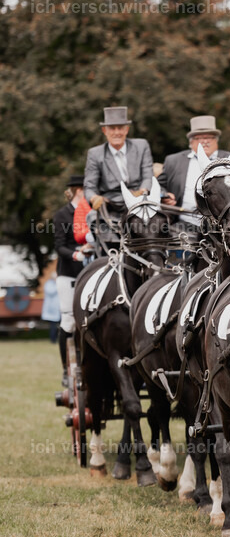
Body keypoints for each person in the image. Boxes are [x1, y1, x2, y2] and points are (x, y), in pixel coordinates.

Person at [84, 106, 154, 247]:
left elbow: (148, 175)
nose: (117, 132)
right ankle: (110, 257)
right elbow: (89, 186)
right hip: (112, 204)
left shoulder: (141, 146)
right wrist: (94, 198)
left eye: (120, 128)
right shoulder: (95, 154)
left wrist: (143, 191)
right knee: (94, 220)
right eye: (112, 128)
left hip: (140, 200)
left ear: (126, 129)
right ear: (105, 131)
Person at [53, 175, 93, 384]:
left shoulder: (93, 213)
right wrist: (77, 254)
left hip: (92, 272)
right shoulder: (62, 215)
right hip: (69, 272)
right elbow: (59, 245)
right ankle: (64, 368)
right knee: (68, 321)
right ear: (79, 191)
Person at [158, 115, 230, 224]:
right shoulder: (174, 161)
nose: (205, 141)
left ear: (216, 140)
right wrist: (163, 195)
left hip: (224, 225)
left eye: (210, 137)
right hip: (181, 222)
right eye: (200, 138)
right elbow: (158, 185)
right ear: (191, 142)